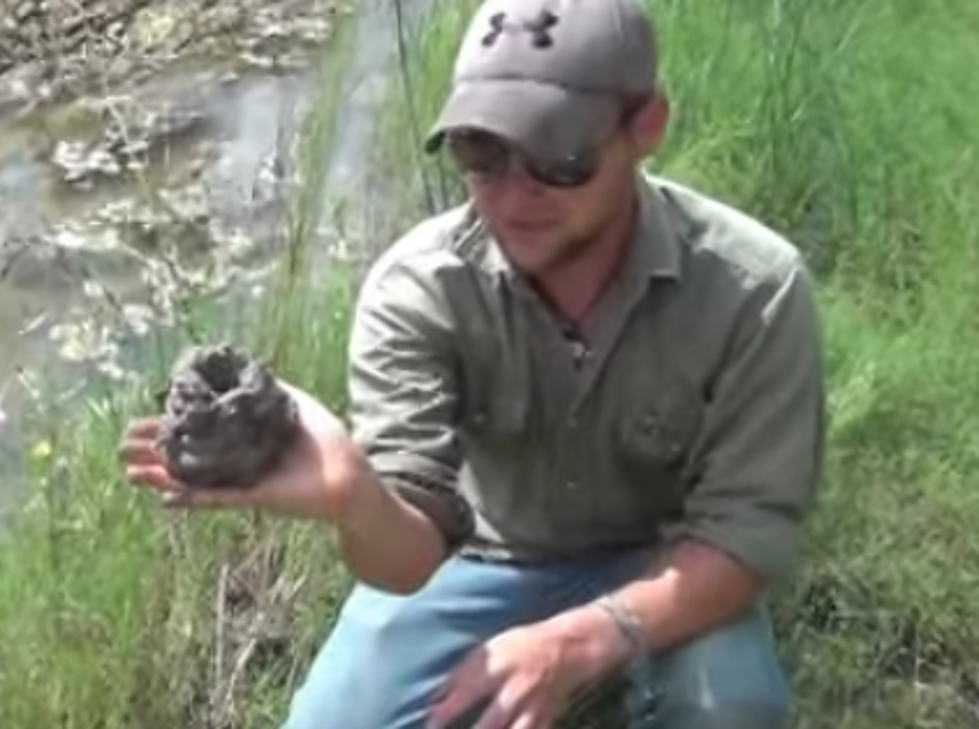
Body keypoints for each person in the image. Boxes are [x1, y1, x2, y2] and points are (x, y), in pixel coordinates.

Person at [120, 0, 827, 726]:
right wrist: (354, 496)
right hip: (483, 556)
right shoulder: (418, 289)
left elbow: (746, 538)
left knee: (731, 705)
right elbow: (407, 556)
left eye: (559, 155)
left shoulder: (753, 288)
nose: (514, 193)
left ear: (644, 125)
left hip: (666, 553)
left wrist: (584, 638)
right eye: (480, 151)